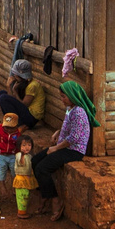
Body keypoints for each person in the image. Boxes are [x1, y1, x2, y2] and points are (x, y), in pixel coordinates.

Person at [35, 79, 98, 221]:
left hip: (74, 150)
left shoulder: (79, 112)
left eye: (63, 96)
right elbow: (69, 127)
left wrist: (56, 148)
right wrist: (58, 132)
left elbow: (74, 138)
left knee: (42, 168)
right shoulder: (70, 109)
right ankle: (45, 195)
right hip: (65, 146)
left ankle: (55, 200)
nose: (61, 99)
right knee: (35, 161)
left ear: (72, 95)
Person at [0, 58, 47, 130]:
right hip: (26, 113)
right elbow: (14, 100)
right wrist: (13, 90)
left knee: (3, 98)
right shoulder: (23, 83)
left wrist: (10, 88)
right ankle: (11, 121)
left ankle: (13, 123)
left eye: (15, 74)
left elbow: (24, 104)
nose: (14, 76)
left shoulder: (32, 86)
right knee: (1, 94)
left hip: (31, 118)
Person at [12, 135, 39, 218]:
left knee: (24, 195)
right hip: (23, 179)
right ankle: (21, 213)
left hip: (21, 178)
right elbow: (25, 167)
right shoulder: (22, 156)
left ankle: (22, 211)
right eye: (24, 145)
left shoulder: (24, 155)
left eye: (29, 145)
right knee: (23, 196)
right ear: (19, 146)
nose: (27, 147)